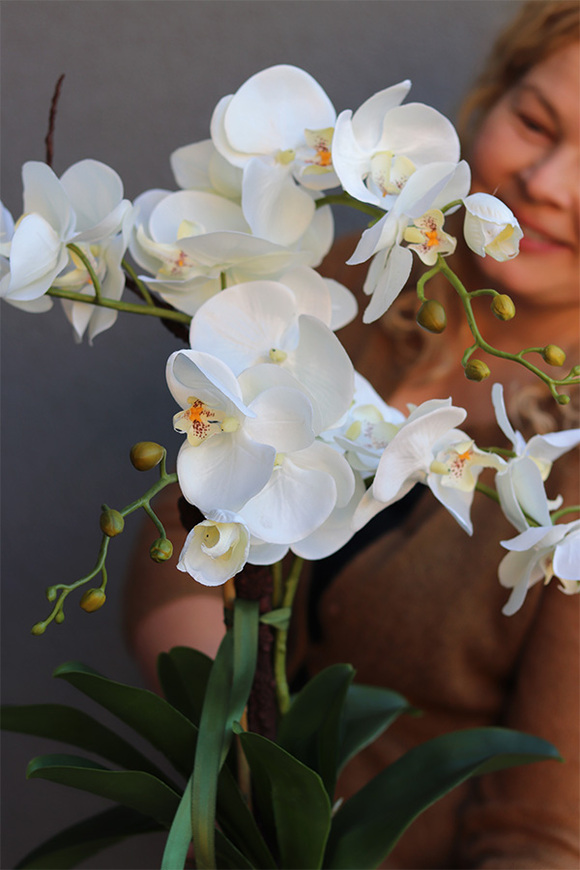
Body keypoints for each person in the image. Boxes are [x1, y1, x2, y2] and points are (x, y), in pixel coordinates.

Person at [125, 2, 580, 866]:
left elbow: (542, 831)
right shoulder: (319, 279)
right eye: (534, 121)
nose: (552, 182)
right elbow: (180, 548)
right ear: (490, 97)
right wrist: (243, 781)